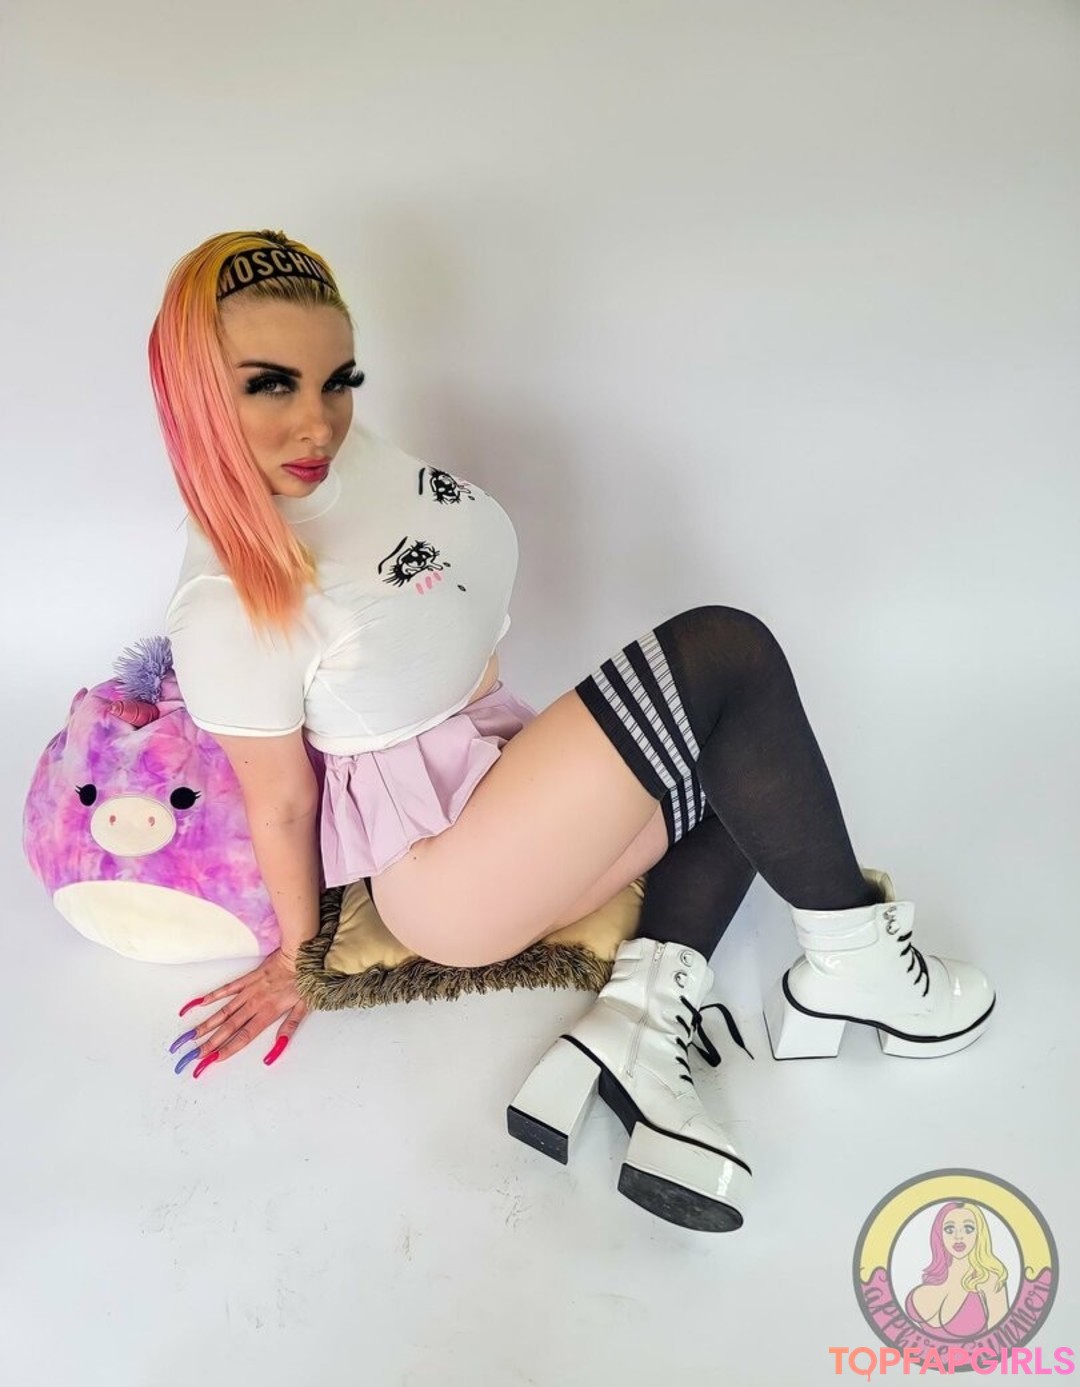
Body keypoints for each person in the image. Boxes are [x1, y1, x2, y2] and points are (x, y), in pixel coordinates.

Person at [151, 228, 995, 1233]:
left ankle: (635, 1023)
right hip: (446, 867)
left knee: (742, 751)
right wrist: (301, 961)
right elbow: (283, 801)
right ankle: (853, 961)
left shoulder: (334, 460)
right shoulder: (222, 603)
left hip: (494, 763)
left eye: (340, 380)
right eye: (268, 384)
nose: (316, 420)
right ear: (196, 393)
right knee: (726, 653)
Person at [904, 1201, 1010, 1336]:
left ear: (979, 1234)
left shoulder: (989, 1280)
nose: (958, 1236)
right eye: (949, 1229)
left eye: (968, 1229)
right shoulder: (932, 1280)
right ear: (939, 1235)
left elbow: (1001, 1339)